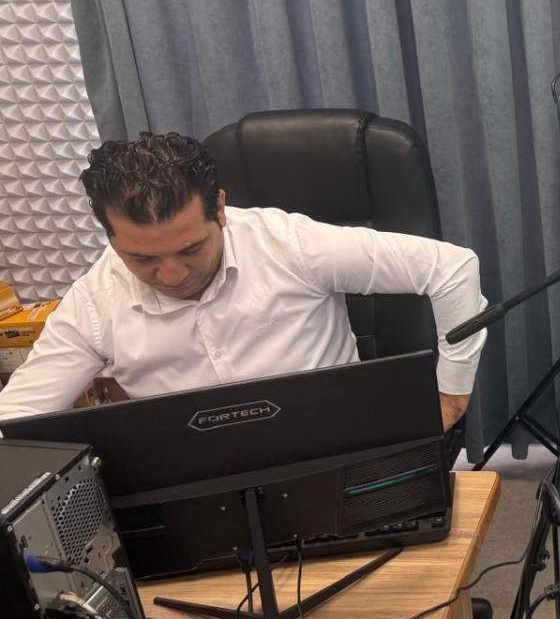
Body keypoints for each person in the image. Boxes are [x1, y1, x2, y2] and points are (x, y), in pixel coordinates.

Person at [0, 131, 487, 439]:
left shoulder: (290, 244)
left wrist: (450, 395)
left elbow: (451, 269)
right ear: (108, 233)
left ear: (219, 209)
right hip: (198, 483)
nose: (171, 276)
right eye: (142, 259)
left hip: (339, 446)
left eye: (190, 249)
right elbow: (16, 417)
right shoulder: (95, 300)